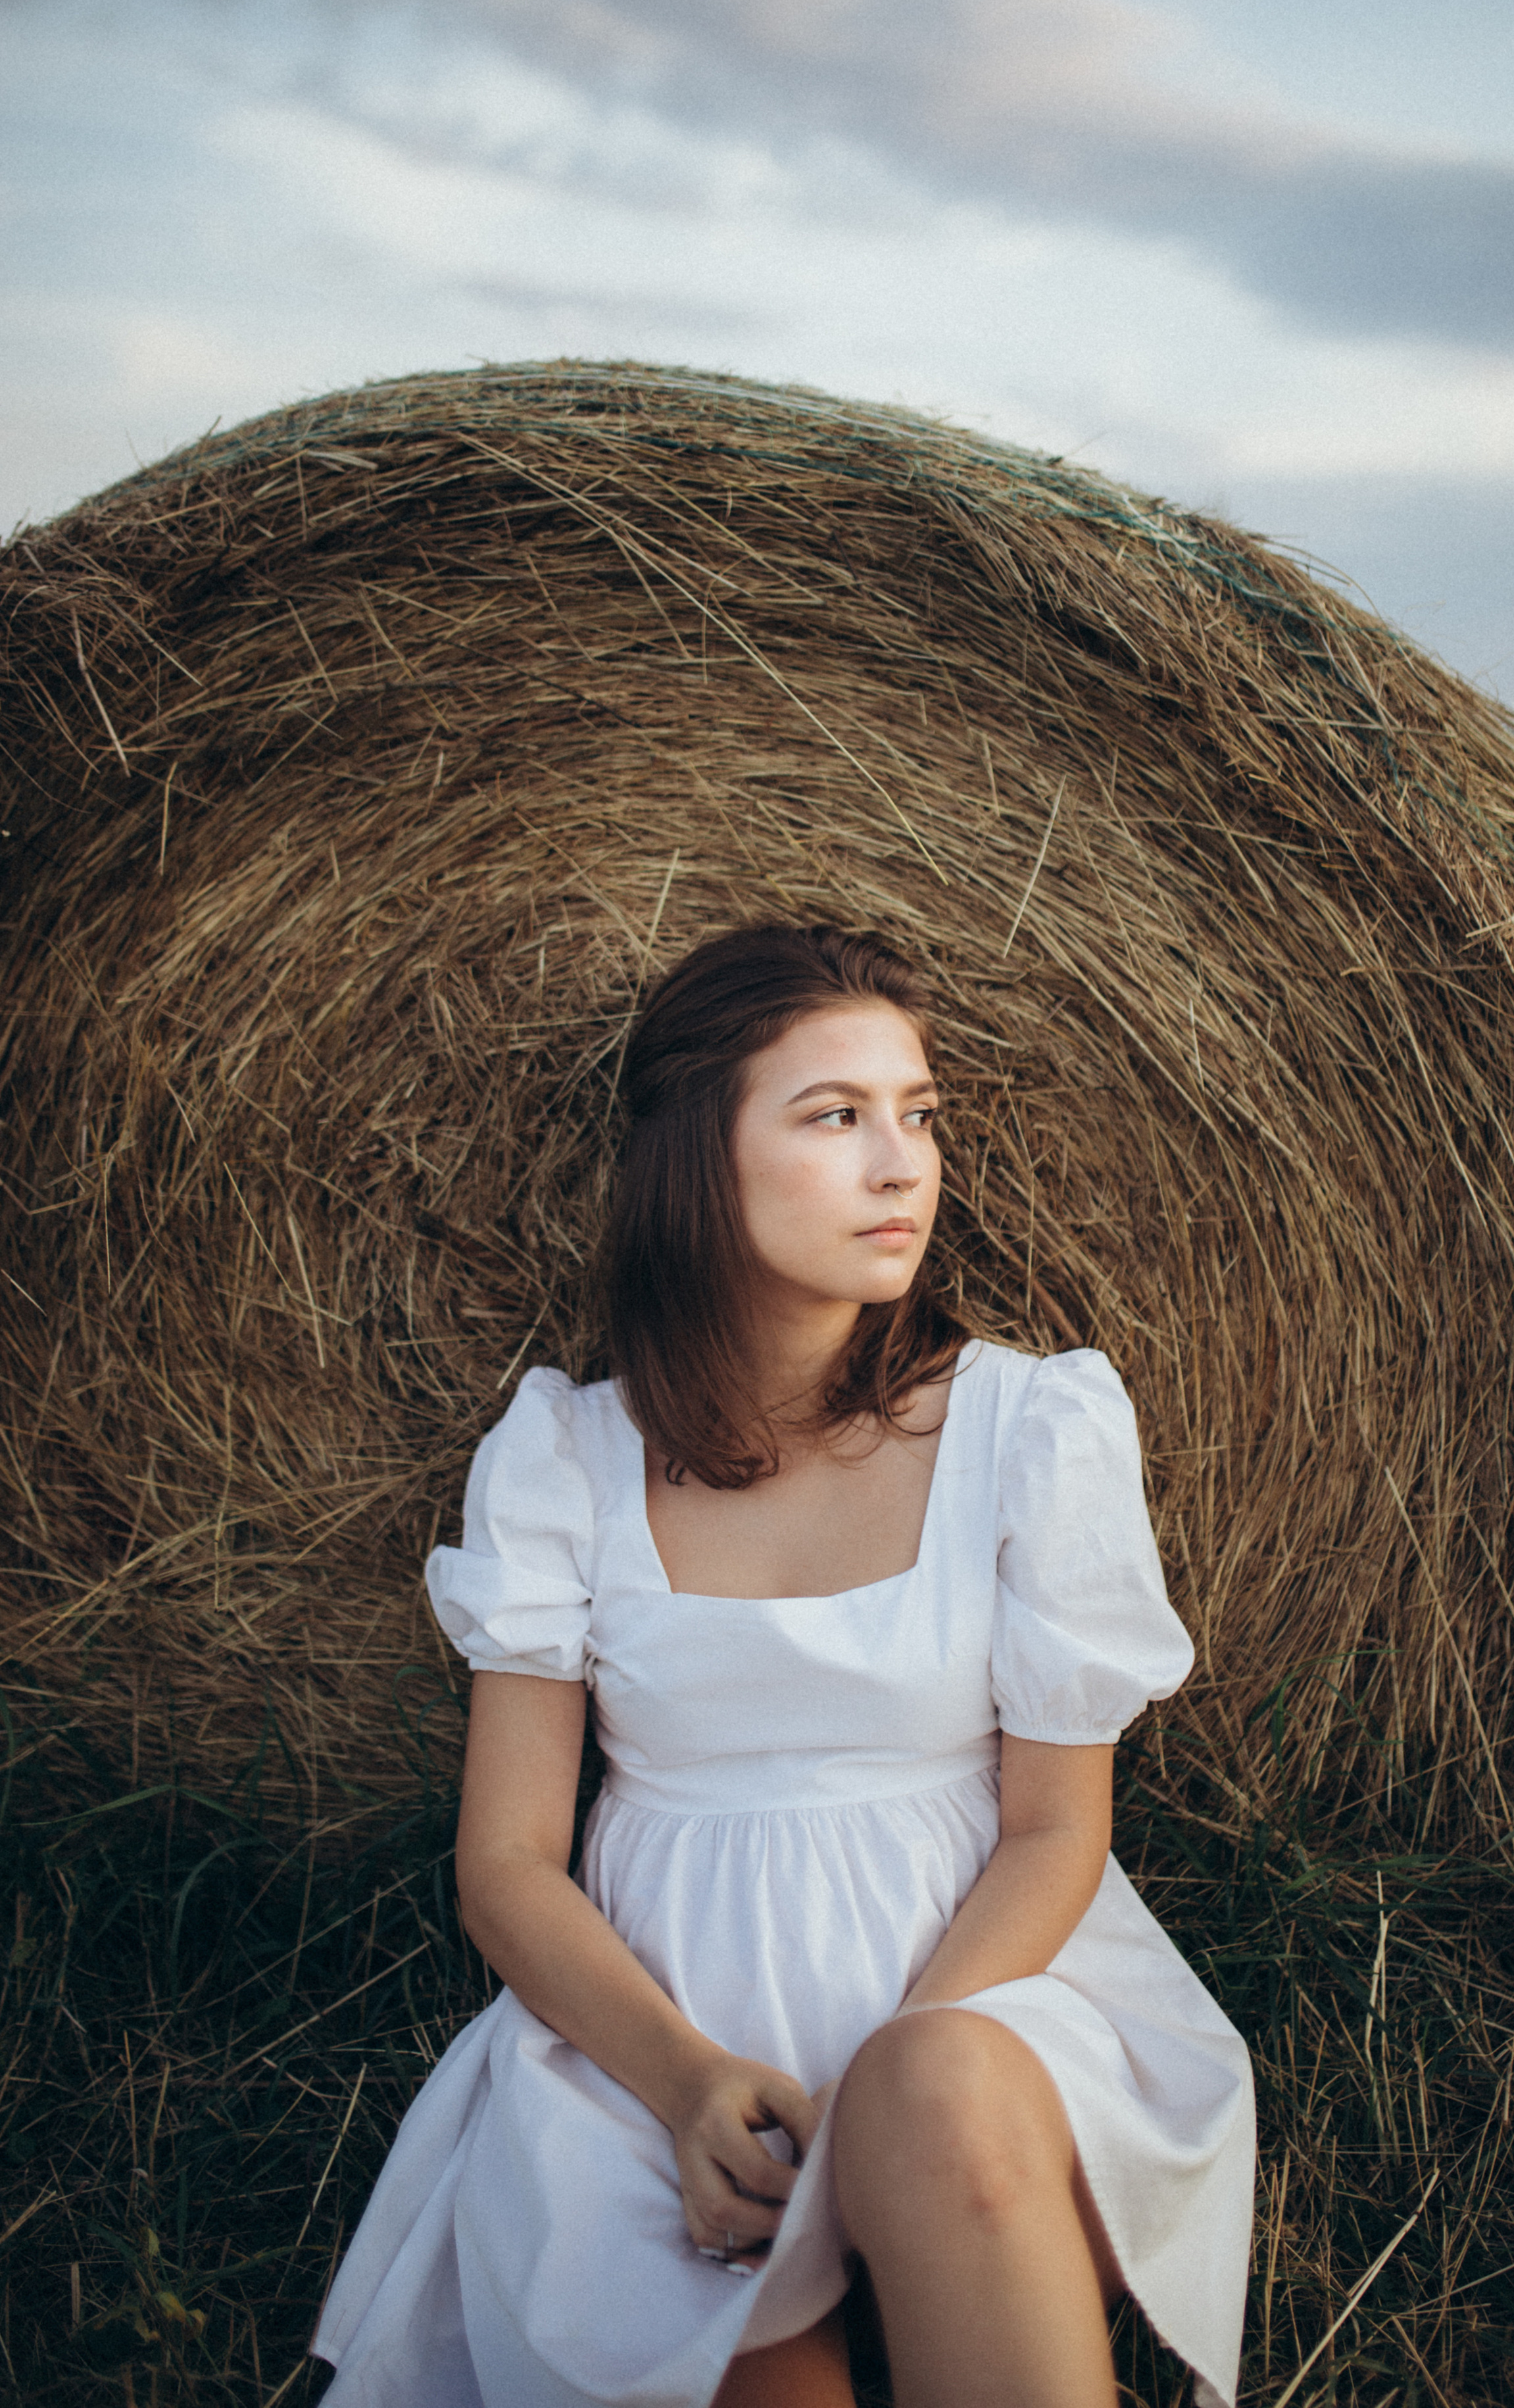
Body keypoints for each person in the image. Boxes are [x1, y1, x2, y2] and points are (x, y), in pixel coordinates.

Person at [312, 922, 1254, 2408]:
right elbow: (504, 1863)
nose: (902, 1167)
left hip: (979, 1996)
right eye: (834, 1116)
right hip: (658, 2047)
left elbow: (1057, 1824)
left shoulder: (1026, 1429)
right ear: (698, 1157)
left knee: (931, 2100)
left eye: (918, 1114)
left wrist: (887, 2068)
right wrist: (684, 2084)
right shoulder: (567, 1459)